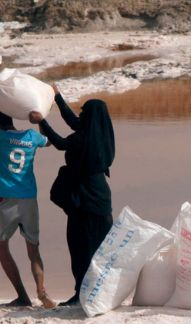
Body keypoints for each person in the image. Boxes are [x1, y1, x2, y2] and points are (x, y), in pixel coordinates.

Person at [0, 72, 56, 308]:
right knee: (33, 250)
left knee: (0, 246)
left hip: (8, 201)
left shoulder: (0, 137)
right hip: (30, 200)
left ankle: (23, 297)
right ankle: (42, 291)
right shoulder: (33, 137)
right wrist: (41, 117)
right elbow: (52, 141)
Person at [28, 88, 115, 307]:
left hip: (84, 201)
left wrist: (42, 122)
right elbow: (73, 122)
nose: (80, 115)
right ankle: (99, 292)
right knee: (99, 249)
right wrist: (57, 98)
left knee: (80, 249)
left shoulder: (82, 139)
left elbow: (60, 143)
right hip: (102, 200)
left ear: (90, 116)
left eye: (83, 112)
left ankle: (81, 294)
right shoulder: (102, 137)